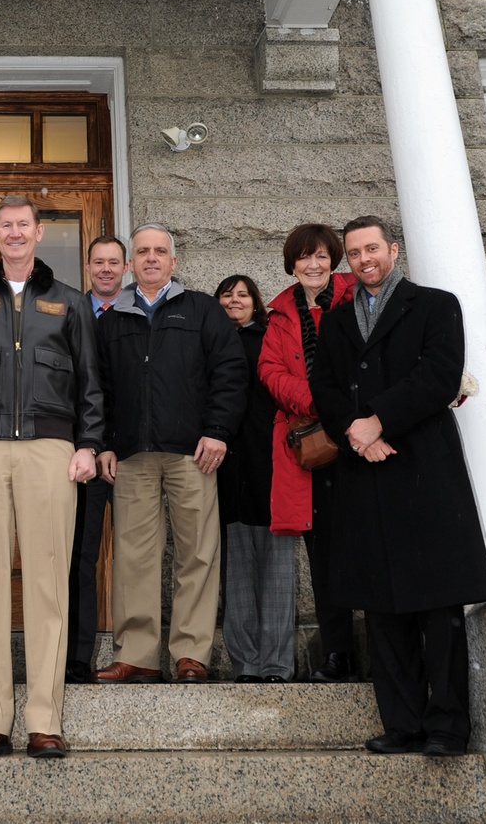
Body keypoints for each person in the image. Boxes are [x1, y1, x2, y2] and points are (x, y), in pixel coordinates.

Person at [312, 216, 486, 756]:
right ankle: (403, 724)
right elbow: (322, 386)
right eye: (354, 252)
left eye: (372, 248)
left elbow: (438, 376)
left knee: (437, 607)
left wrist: (379, 421)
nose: (364, 259)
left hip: (423, 471)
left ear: (393, 249)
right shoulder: (337, 321)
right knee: (382, 606)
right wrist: (355, 432)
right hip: (365, 473)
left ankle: (446, 728)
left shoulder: (436, 305)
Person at [0, 194, 102, 759]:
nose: (13, 233)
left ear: (39, 233)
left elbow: (91, 385)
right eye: (4, 226)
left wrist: (88, 444)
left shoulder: (70, 302)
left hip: (51, 450)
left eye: (22, 225)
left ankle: (44, 720)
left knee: (47, 585)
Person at [94, 224, 245, 685]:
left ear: (174, 262)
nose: (152, 258)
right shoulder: (111, 319)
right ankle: (136, 655)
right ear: (130, 263)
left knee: (197, 553)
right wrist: (100, 443)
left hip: (193, 454)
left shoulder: (201, 310)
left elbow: (231, 371)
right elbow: (94, 387)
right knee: (134, 557)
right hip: (131, 455)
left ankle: (191, 654)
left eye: (161, 251)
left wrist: (218, 430)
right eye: (143, 252)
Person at [257, 223, 357, 682]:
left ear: (334, 258)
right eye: (303, 258)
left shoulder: (358, 296)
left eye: (321, 256)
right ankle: (338, 653)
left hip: (362, 440)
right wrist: (318, 400)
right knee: (323, 554)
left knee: (370, 546)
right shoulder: (280, 314)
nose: (313, 265)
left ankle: (385, 648)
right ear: (291, 263)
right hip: (313, 447)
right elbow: (270, 371)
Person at [214, 274, 294, 683]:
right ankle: (245, 664)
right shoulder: (208, 342)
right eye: (226, 294)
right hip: (226, 468)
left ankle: (277, 664)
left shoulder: (271, 337)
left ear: (256, 301)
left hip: (272, 462)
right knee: (237, 571)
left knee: (278, 569)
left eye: (243, 294)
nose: (234, 300)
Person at [65, 235, 128, 683]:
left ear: (124, 268)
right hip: (77, 455)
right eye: (98, 262)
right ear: (87, 266)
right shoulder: (70, 312)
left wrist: (115, 445)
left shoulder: (138, 314)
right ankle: (74, 656)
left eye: (113, 262)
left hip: (130, 457)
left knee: (132, 558)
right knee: (77, 559)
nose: (106, 269)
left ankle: (134, 653)